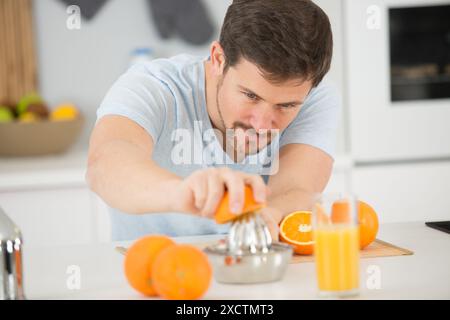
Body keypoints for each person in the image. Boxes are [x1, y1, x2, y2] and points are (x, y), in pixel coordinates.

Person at [86, 0, 340, 241]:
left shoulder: (313, 98)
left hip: (251, 270)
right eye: (250, 95)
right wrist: (185, 193)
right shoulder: (154, 86)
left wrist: (267, 217)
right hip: (150, 274)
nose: (262, 125)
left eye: (285, 106)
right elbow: (105, 164)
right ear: (219, 59)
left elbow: (297, 188)